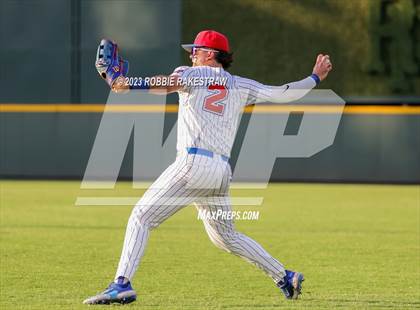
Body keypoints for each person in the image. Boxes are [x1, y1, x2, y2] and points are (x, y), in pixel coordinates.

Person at [84, 30, 332, 305]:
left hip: (193, 164)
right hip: (220, 171)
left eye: (196, 50)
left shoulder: (191, 75)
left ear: (211, 55)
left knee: (141, 217)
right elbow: (283, 94)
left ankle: (121, 284)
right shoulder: (240, 84)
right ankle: (284, 276)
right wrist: (315, 77)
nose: (191, 54)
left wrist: (121, 82)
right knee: (225, 237)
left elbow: (163, 84)